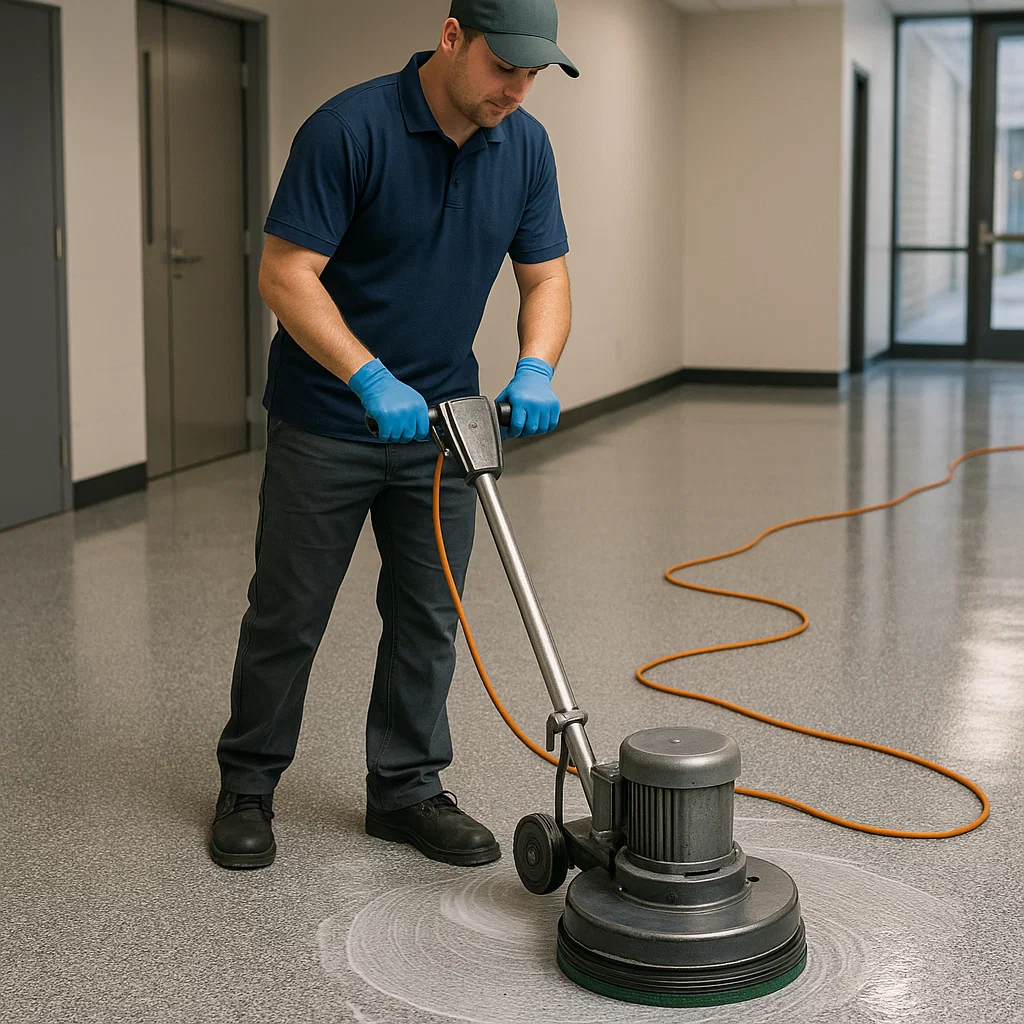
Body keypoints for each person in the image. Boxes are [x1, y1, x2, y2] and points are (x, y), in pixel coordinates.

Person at [210, 0, 578, 870]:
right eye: (502, 67)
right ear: (452, 37)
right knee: (289, 613)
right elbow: (285, 272)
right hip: (329, 420)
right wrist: (367, 375)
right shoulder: (349, 129)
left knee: (428, 616)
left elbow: (546, 275)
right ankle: (249, 784)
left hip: (444, 424)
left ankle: (406, 790)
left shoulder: (523, 145)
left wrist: (536, 364)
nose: (516, 90)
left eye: (533, 75)